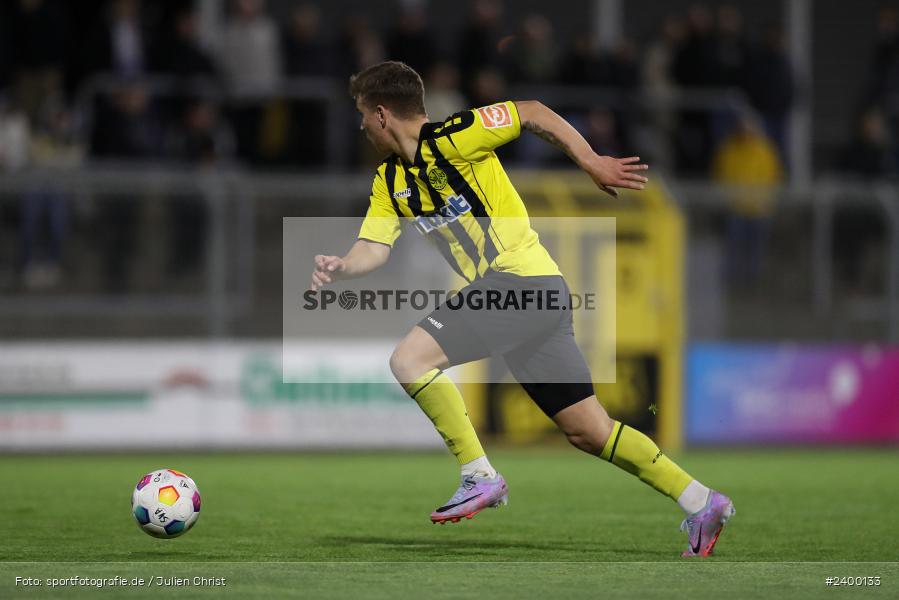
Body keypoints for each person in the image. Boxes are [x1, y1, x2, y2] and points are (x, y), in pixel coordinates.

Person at [310, 61, 734, 557]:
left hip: (520, 282)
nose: (360, 125)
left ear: (382, 113)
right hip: (535, 296)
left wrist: (592, 159)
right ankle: (701, 500)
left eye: (362, 114)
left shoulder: (455, 137)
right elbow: (375, 247)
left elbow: (532, 112)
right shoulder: (390, 181)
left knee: (408, 360)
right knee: (589, 431)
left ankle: (478, 474)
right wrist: (343, 266)